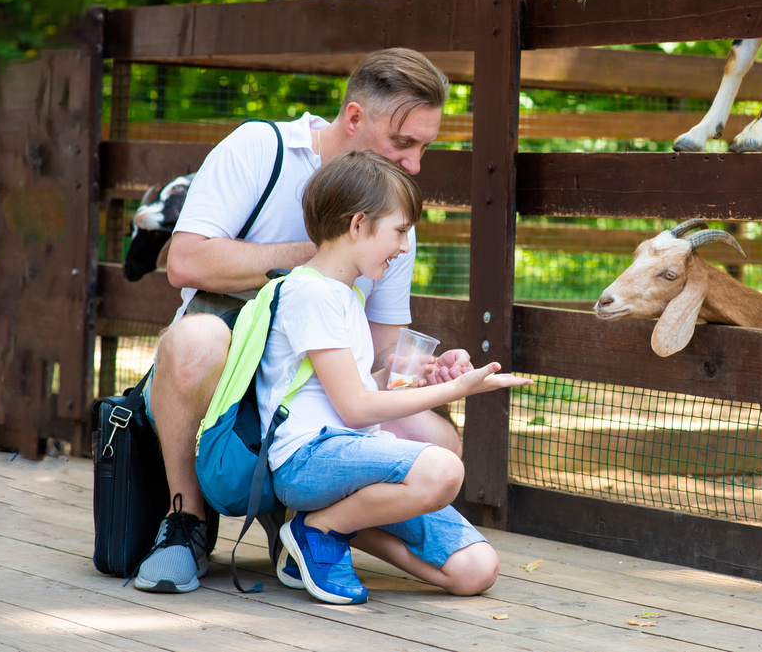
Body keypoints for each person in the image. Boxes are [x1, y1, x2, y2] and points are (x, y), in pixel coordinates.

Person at [134, 48, 471, 593]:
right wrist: (327, 253)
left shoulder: (391, 212)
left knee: (438, 442)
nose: (414, 164)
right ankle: (186, 524)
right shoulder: (262, 148)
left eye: (425, 148)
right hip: (221, 380)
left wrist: (428, 374)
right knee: (195, 339)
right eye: (403, 143)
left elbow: (382, 355)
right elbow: (185, 261)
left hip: (315, 399)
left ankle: (309, 529)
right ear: (355, 117)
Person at [263, 150, 530, 603]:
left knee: (474, 571)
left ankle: (319, 534)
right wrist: (455, 390)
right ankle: (319, 528)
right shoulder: (310, 293)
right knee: (443, 470)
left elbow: (355, 388)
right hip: (308, 459)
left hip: (357, 456)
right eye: (400, 231)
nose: (404, 247)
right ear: (358, 225)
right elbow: (354, 408)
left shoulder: (344, 295)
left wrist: (418, 375)